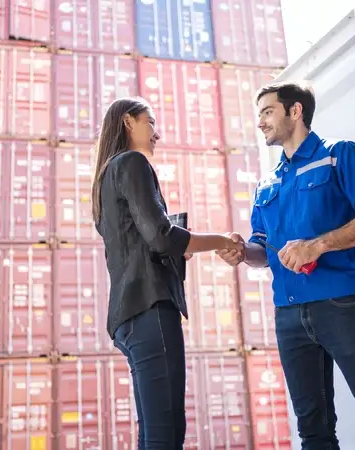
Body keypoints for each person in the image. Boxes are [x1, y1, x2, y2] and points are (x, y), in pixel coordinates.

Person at [216, 81, 355, 450]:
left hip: (342, 306)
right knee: (313, 434)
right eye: (258, 114)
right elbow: (263, 248)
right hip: (288, 316)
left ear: (295, 111)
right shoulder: (267, 183)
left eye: (267, 111)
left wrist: (318, 245)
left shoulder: (340, 155)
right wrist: (243, 252)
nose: (260, 122)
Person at [92, 97, 242, 449]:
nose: (156, 133)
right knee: (167, 434)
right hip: (150, 311)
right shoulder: (131, 163)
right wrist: (221, 239)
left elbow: (142, 245)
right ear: (128, 122)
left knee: (154, 433)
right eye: (151, 122)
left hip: (127, 317)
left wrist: (181, 249)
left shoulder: (104, 180)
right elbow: (161, 237)